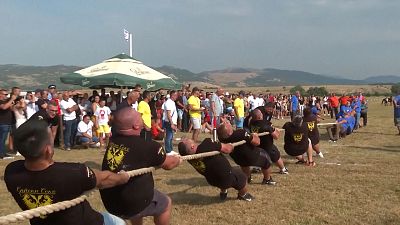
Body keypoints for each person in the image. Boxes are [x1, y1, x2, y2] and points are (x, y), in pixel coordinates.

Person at [4, 119, 130, 225]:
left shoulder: (11, 172)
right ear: (48, 150)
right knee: (119, 222)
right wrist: (122, 178)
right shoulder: (73, 173)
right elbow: (103, 179)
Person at [100, 108, 182, 225]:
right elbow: (168, 165)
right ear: (136, 125)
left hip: (111, 202)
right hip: (131, 204)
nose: (143, 119)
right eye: (140, 117)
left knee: (137, 191)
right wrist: (177, 160)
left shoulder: (114, 140)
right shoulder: (149, 146)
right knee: (165, 203)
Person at [178, 137, 255, 201]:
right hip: (226, 178)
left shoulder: (189, 158)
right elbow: (227, 149)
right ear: (192, 146)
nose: (185, 138)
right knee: (242, 176)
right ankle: (242, 195)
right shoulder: (207, 144)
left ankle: (223, 191)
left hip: (212, 181)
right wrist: (230, 146)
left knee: (219, 171)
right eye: (186, 140)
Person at [217, 119, 276, 185]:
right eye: (227, 124)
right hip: (251, 156)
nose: (228, 123)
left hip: (238, 158)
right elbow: (257, 142)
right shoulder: (240, 133)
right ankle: (267, 179)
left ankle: (247, 179)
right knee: (266, 161)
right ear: (229, 132)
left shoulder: (221, 138)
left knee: (244, 163)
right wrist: (255, 135)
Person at [249, 109, 289, 174]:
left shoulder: (251, 122)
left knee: (259, 155)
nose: (262, 114)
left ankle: (257, 167)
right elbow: (276, 136)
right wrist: (276, 131)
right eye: (261, 113)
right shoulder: (266, 124)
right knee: (276, 155)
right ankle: (283, 169)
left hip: (257, 145)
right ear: (259, 116)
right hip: (267, 145)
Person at [0, 89, 16, 159]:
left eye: (7, 94)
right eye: (5, 94)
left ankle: (3, 152)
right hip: (2, 123)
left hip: (7, 123)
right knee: (2, 139)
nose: (6, 96)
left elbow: (12, 109)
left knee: (3, 139)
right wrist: (11, 99)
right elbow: (4, 107)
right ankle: (1, 154)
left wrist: (12, 103)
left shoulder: (6, 101)